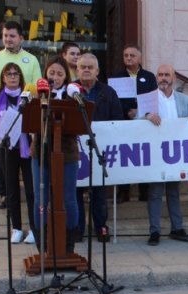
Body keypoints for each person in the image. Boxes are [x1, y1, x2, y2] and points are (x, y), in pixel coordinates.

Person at [0, 20, 42, 210]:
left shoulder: (31, 59)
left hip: (25, 112)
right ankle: (5, 193)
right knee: (3, 152)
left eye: (12, 36)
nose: (8, 39)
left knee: (27, 154)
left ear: (21, 38)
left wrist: (23, 105)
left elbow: (36, 84)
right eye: (5, 35)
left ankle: (31, 192)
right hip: (3, 112)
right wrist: (1, 102)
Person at [31, 56, 80, 253]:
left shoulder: (72, 96)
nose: (55, 77)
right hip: (41, 153)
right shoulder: (37, 95)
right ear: (46, 75)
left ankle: (68, 242)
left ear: (66, 77)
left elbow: (80, 123)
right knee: (40, 198)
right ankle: (42, 240)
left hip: (67, 154)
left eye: (60, 74)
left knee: (68, 198)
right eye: (52, 73)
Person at [142, 64, 188, 246]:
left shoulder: (184, 100)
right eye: (160, 75)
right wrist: (146, 116)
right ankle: (154, 231)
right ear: (156, 77)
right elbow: (135, 120)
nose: (163, 78)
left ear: (174, 78)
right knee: (155, 193)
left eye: (167, 75)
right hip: (155, 153)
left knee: (174, 192)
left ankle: (177, 228)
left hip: (176, 153)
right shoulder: (148, 99)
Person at [75, 53, 123, 242]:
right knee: (76, 192)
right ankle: (77, 229)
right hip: (76, 149)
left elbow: (118, 119)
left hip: (100, 149)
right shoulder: (70, 90)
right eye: (83, 67)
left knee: (99, 193)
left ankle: (101, 227)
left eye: (90, 67)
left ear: (97, 71)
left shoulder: (108, 92)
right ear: (77, 70)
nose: (86, 70)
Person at [0, 63, 35, 244]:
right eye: (9, 74)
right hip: (8, 149)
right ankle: (16, 228)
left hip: (27, 148)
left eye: (16, 74)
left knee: (31, 191)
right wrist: (1, 130)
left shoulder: (28, 96)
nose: (13, 77)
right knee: (12, 190)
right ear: (3, 78)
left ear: (20, 77)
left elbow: (36, 120)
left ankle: (34, 229)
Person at [112, 45, 158, 203]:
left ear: (139, 58)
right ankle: (123, 192)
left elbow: (153, 98)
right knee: (124, 157)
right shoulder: (117, 77)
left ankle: (144, 191)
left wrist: (139, 112)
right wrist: (127, 112)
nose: (129, 58)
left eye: (132, 55)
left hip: (144, 124)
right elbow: (114, 100)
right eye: (126, 55)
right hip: (124, 122)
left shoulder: (149, 77)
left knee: (144, 156)